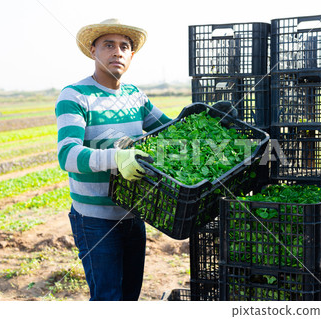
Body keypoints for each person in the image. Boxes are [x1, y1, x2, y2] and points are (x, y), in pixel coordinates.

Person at [56, 18, 237, 301]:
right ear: (93, 51)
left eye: (124, 47)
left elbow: (173, 131)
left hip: (133, 212)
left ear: (130, 55)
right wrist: (118, 157)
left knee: (130, 295)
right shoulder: (76, 96)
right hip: (95, 219)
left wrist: (211, 119)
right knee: (107, 298)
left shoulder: (134, 96)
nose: (117, 52)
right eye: (108, 45)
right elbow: (67, 155)